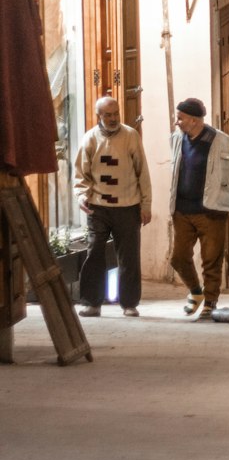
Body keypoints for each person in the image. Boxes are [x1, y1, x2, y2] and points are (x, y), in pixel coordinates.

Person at [74, 95, 151, 318]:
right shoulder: (90, 138)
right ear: (99, 116)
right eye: (108, 115)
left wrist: (146, 204)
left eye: (116, 113)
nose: (113, 118)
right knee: (94, 252)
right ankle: (91, 302)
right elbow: (81, 174)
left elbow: (142, 172)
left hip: (127, 205)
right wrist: (81, 195)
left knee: (129, 256)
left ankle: (129, 303)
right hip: (98, 206)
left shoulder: (130, 136)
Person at [168, 97, 229, 321]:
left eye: (180, 118)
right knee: (178, 257)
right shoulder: (177, 139)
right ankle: (195, 291)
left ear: (193, 120)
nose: (177, 122)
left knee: (211, 259)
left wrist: (221, 196)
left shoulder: (221, 142)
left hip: (210, 211)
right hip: (182, 209)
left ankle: (210, 301)